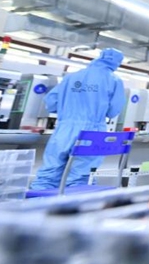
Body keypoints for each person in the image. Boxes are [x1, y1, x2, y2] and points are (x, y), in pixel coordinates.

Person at [29, 48, 126, 189]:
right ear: (117, 62)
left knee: (49, 173)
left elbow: (51, 102)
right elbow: (113, 111)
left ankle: (36, 206)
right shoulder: (114, 80)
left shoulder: (70, 77)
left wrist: (68, 109)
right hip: (92, 132)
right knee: (81, 177)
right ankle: (71, 208)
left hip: (64, 129)